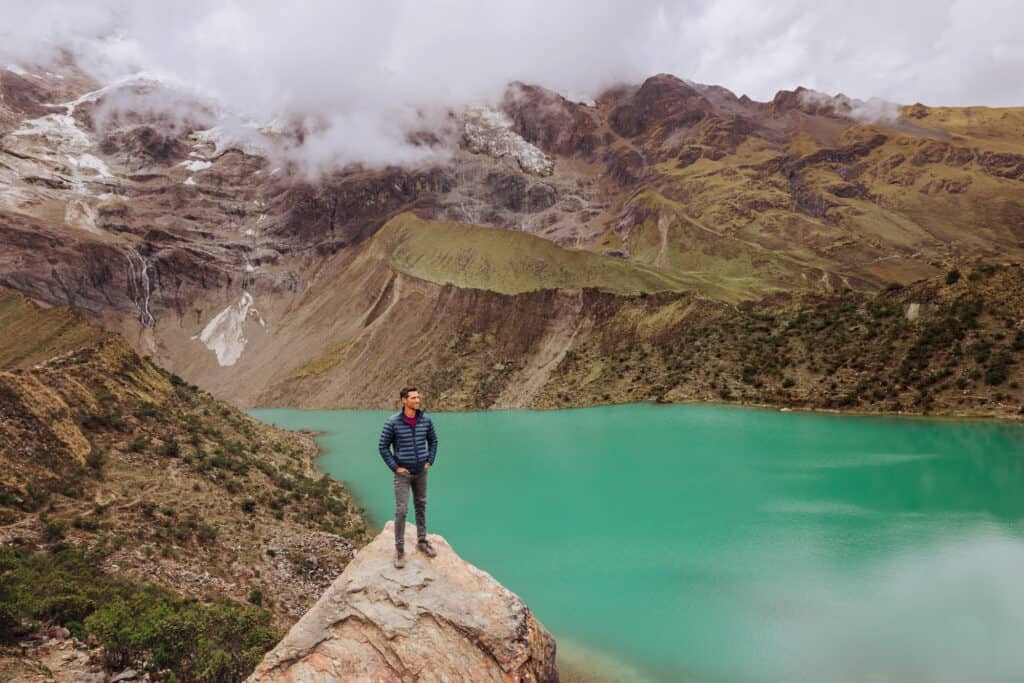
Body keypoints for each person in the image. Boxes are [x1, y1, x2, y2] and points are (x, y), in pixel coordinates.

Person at [378, 386, 438, 568]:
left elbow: (433, 440)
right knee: (402, 510)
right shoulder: (393, 422)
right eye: (413, 398)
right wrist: (395, 467)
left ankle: (422, 541)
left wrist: (430, 460)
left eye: (418, 397)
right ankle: (400, 550)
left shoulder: (425, 420)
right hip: (403, 474)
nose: (417, 400)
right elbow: (382, 446)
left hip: (421, 471)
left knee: (421, 505)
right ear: (404, 400)